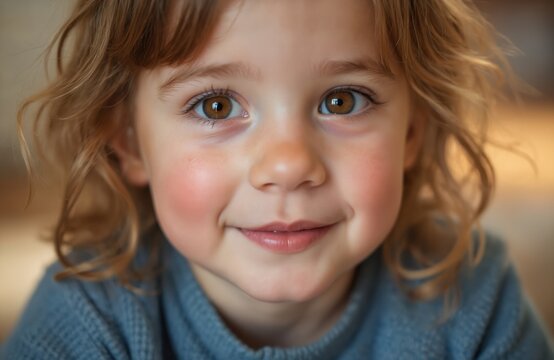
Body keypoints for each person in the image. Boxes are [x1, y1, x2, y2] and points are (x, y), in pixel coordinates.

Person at [2, 0, 553, 358]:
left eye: (344, 100)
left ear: (412, 130)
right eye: (216, 106)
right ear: (128, 139)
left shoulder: (474, 302)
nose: (289, 165)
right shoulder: (85, 321)